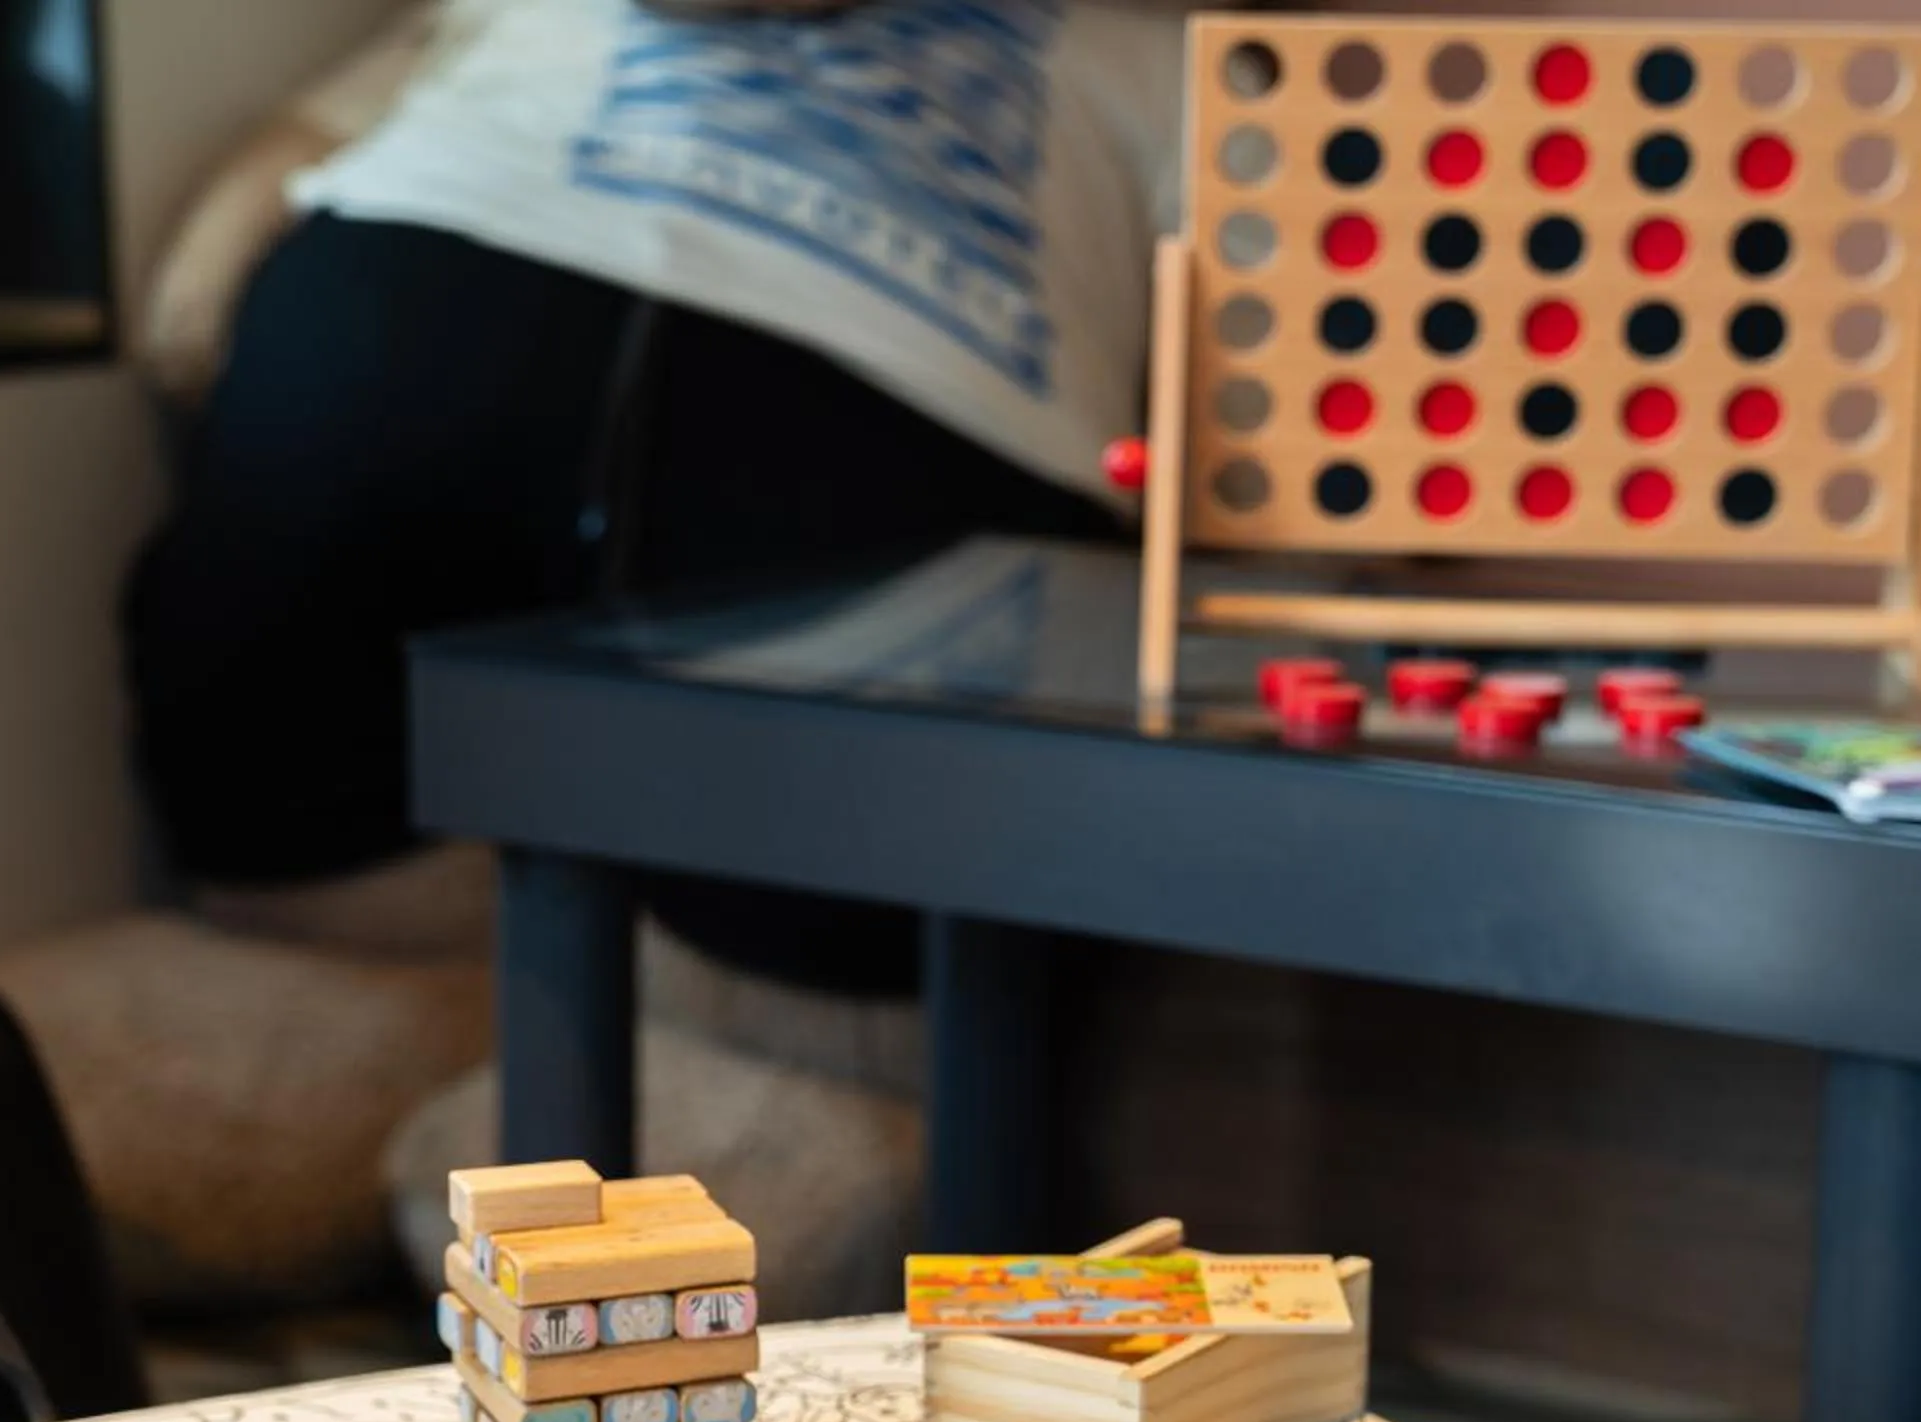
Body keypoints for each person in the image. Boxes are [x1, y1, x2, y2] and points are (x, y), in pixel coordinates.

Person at [126, 0, 1186, 993]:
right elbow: (316, 131)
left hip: (894, 500)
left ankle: (746, 1030)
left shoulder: (1153, 61)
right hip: (412, 355)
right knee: (265, 711)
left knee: (882, 898)